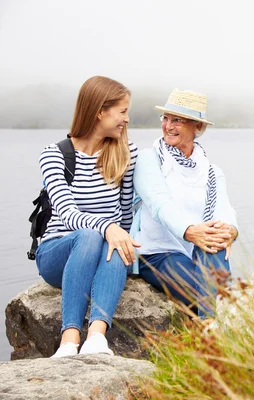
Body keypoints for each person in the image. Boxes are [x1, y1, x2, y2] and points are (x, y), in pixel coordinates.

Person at [36, 76, 139, 358]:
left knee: (117, 242)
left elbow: (126, 212)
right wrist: (108, 227)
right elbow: (67, 214)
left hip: (107, 256)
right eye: (122, 112)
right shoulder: (54, 155)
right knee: (92, 235)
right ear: (99, 112)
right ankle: (69, 340)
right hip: (60, 254)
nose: (127, 120)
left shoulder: (126, 153)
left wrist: (122, 241)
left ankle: (96, 337)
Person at [132, 89, 237, 316]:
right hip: (157, 252)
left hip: (197, 250)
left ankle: (213, 330)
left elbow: (223, 208)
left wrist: (230, 231)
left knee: (216, 241)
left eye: (177, 120)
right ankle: (217, 330)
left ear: (197, 127)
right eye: (166, 118)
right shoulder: (148, 159)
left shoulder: (210, 170)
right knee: (208, 292)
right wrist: (191, 231)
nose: (168, 126)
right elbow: (160, 204)